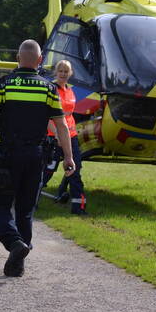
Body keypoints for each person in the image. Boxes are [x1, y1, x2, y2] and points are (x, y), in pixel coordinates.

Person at [0, 40, 74, 277]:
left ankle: (14, 244)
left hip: (7, 156)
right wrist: (68, 157)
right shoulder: (49, 89)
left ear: (18, 59)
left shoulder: (5, 84)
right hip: (35, 156)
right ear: (40, 60)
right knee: (25, 210)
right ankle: (18, 264)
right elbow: (61, 125)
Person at [45, 59, 87, 214]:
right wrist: (55, 134)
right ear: (56, 72)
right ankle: (29, 201)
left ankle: (78, 207)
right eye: (60, 71)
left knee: (74, 169)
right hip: (53, 136)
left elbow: (69, 114)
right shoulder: (51, 89)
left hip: (71, 135)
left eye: (66, 71)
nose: (63, 74)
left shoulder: (71, 91)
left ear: (70, 73)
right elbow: (45, 115)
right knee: (48, 169)